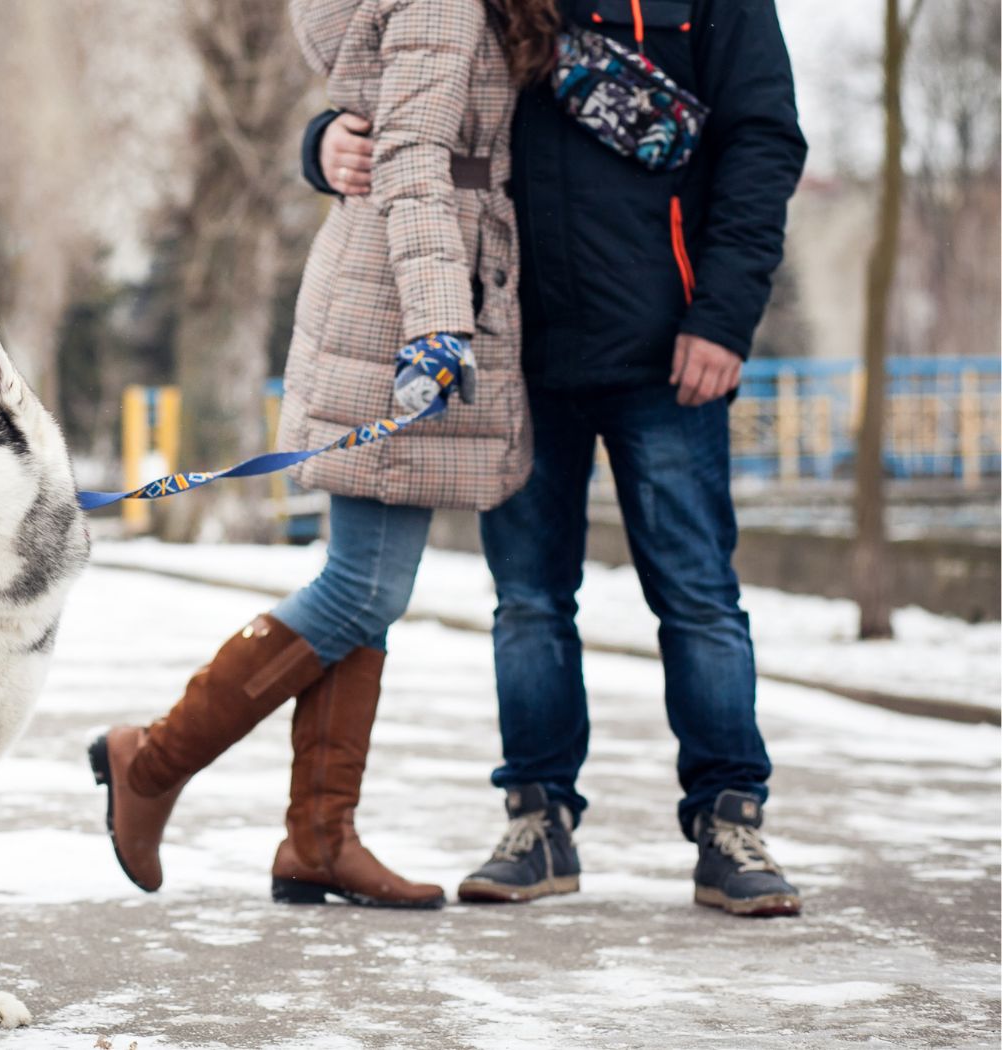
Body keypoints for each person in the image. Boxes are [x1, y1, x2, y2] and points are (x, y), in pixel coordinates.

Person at [303, 0, 808, 916]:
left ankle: (730, 822)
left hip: (670, 349)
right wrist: (325, 142)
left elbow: (764, 137)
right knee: (528, 605)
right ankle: (538, 821)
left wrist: (724, 316)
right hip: (513, 350)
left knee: (697, 597)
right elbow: (407, 95)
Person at [90, 0, 562, 909]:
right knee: (361, 588)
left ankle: (317, 839)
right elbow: (418, 155)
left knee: (365, 587)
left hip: (403, 277)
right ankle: (150, 762)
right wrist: (436, 318)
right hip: (404, 297)